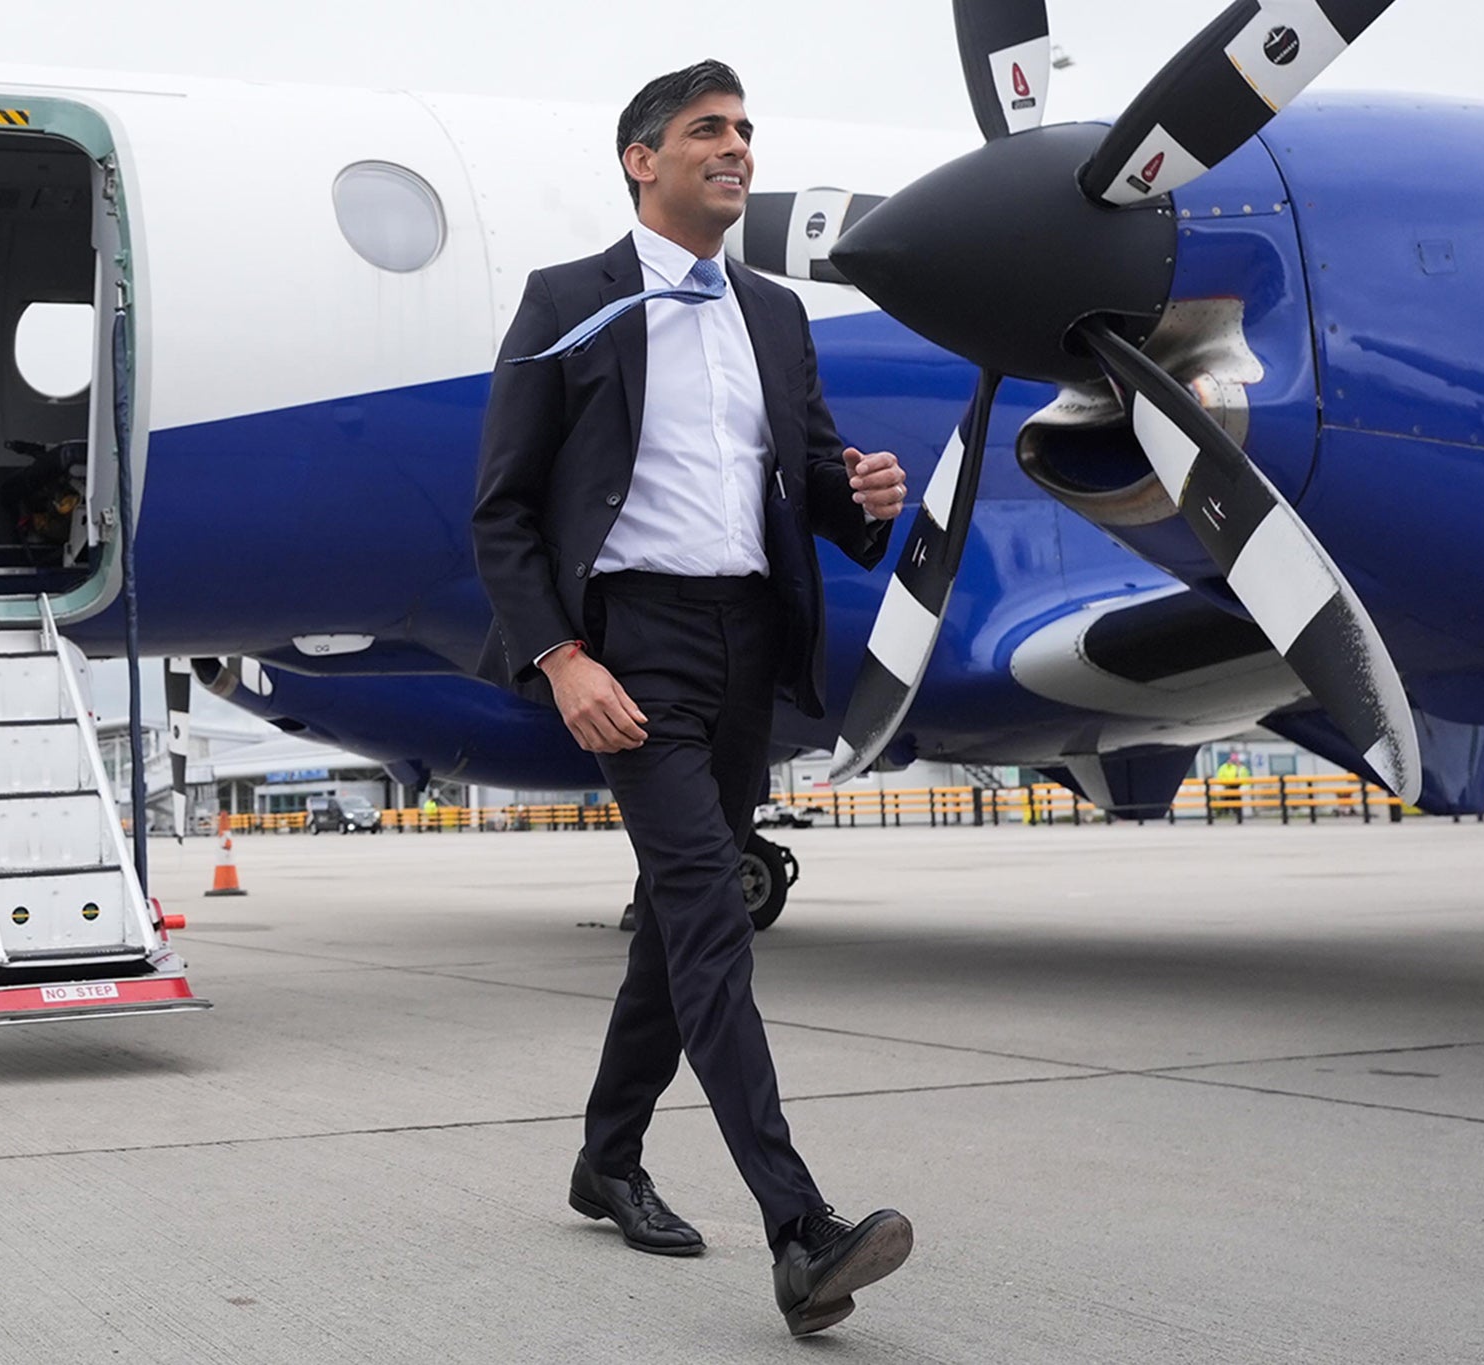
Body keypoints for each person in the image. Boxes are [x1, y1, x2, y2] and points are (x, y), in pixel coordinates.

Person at [471, 60, 913, 1337]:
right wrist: (563, 658)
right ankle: (800, 1230)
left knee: (678, 927)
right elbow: (502, 511)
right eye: (706, 132)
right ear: (639, 160)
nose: (734, 149)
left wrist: (856, 500)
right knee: (711, 913)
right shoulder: (570, 303)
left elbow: (802, 485)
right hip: (635, 644)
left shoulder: (776, 314)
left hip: (745, 644)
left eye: (742, 133)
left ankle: (607, 1160)